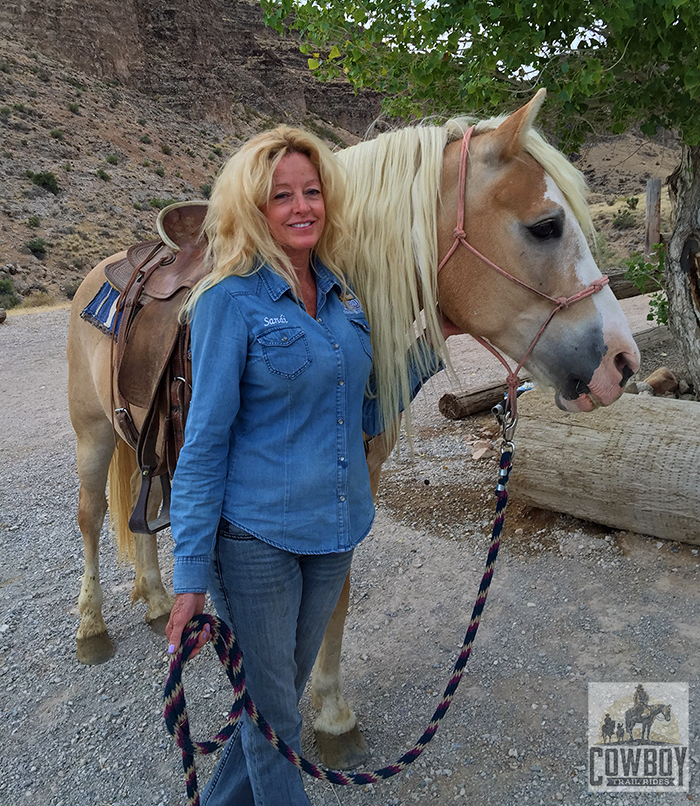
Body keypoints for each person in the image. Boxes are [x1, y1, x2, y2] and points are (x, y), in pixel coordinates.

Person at [165, 125, 453, 805]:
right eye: (281, 196)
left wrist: (431, 350)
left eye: (312, 192)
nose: (301, 207)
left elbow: (355, 415)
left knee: (274, 707)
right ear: (253, 209)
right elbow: (203, 445)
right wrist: (189, 577)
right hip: (256, 542)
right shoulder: (226, 302)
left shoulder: (343, 296)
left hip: (334, 537)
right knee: (277, 722)